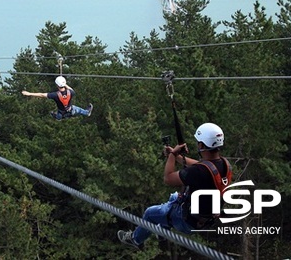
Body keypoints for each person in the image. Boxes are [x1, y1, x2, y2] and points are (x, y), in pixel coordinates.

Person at [117, 122, 232, 250]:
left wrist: (171, 155)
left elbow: (168, 178)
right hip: (205, 219)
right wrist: (177, 156)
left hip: (187, 221)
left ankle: (134, 239)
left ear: (201, 145)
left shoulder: (198, 171)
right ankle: (162, 230)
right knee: (173, 197)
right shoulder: (225, 165)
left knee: (150, 213)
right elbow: (202, 166)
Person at [22, 76, 93, 120]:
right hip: (71, 110)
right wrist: (65, 84)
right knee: (78, 109)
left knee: (58, 115)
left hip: (61, 113)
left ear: (57, 85)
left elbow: (42, 95)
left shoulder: (55, 95)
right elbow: (71, 89)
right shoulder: (70, 92)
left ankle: (58, 117)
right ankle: (86, 113)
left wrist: (29, 93)